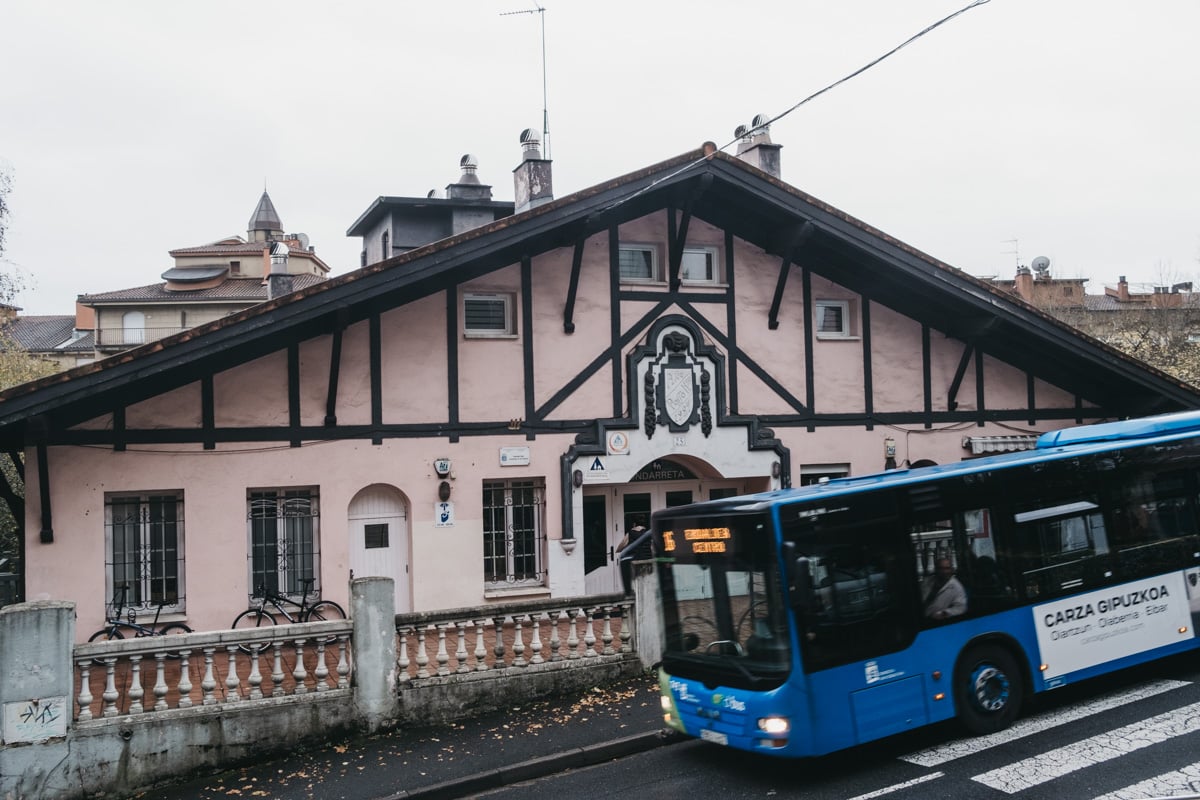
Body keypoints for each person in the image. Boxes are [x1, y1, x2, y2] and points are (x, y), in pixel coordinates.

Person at [923, 557, 967, 621]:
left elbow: (961, 608)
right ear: (936, 569)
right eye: (940, 568)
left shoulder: (957, 587)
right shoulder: (927, 581)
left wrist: (944, 613)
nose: (944, 571)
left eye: (947, 568)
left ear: (952, 570)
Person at [618, 520, 653, 596]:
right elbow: (652, 548)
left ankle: (631, 593)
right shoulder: (648, 534)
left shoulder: (630, 533)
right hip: (648, 561)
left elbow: (620, 548)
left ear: (634, 524)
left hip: (635, 561)